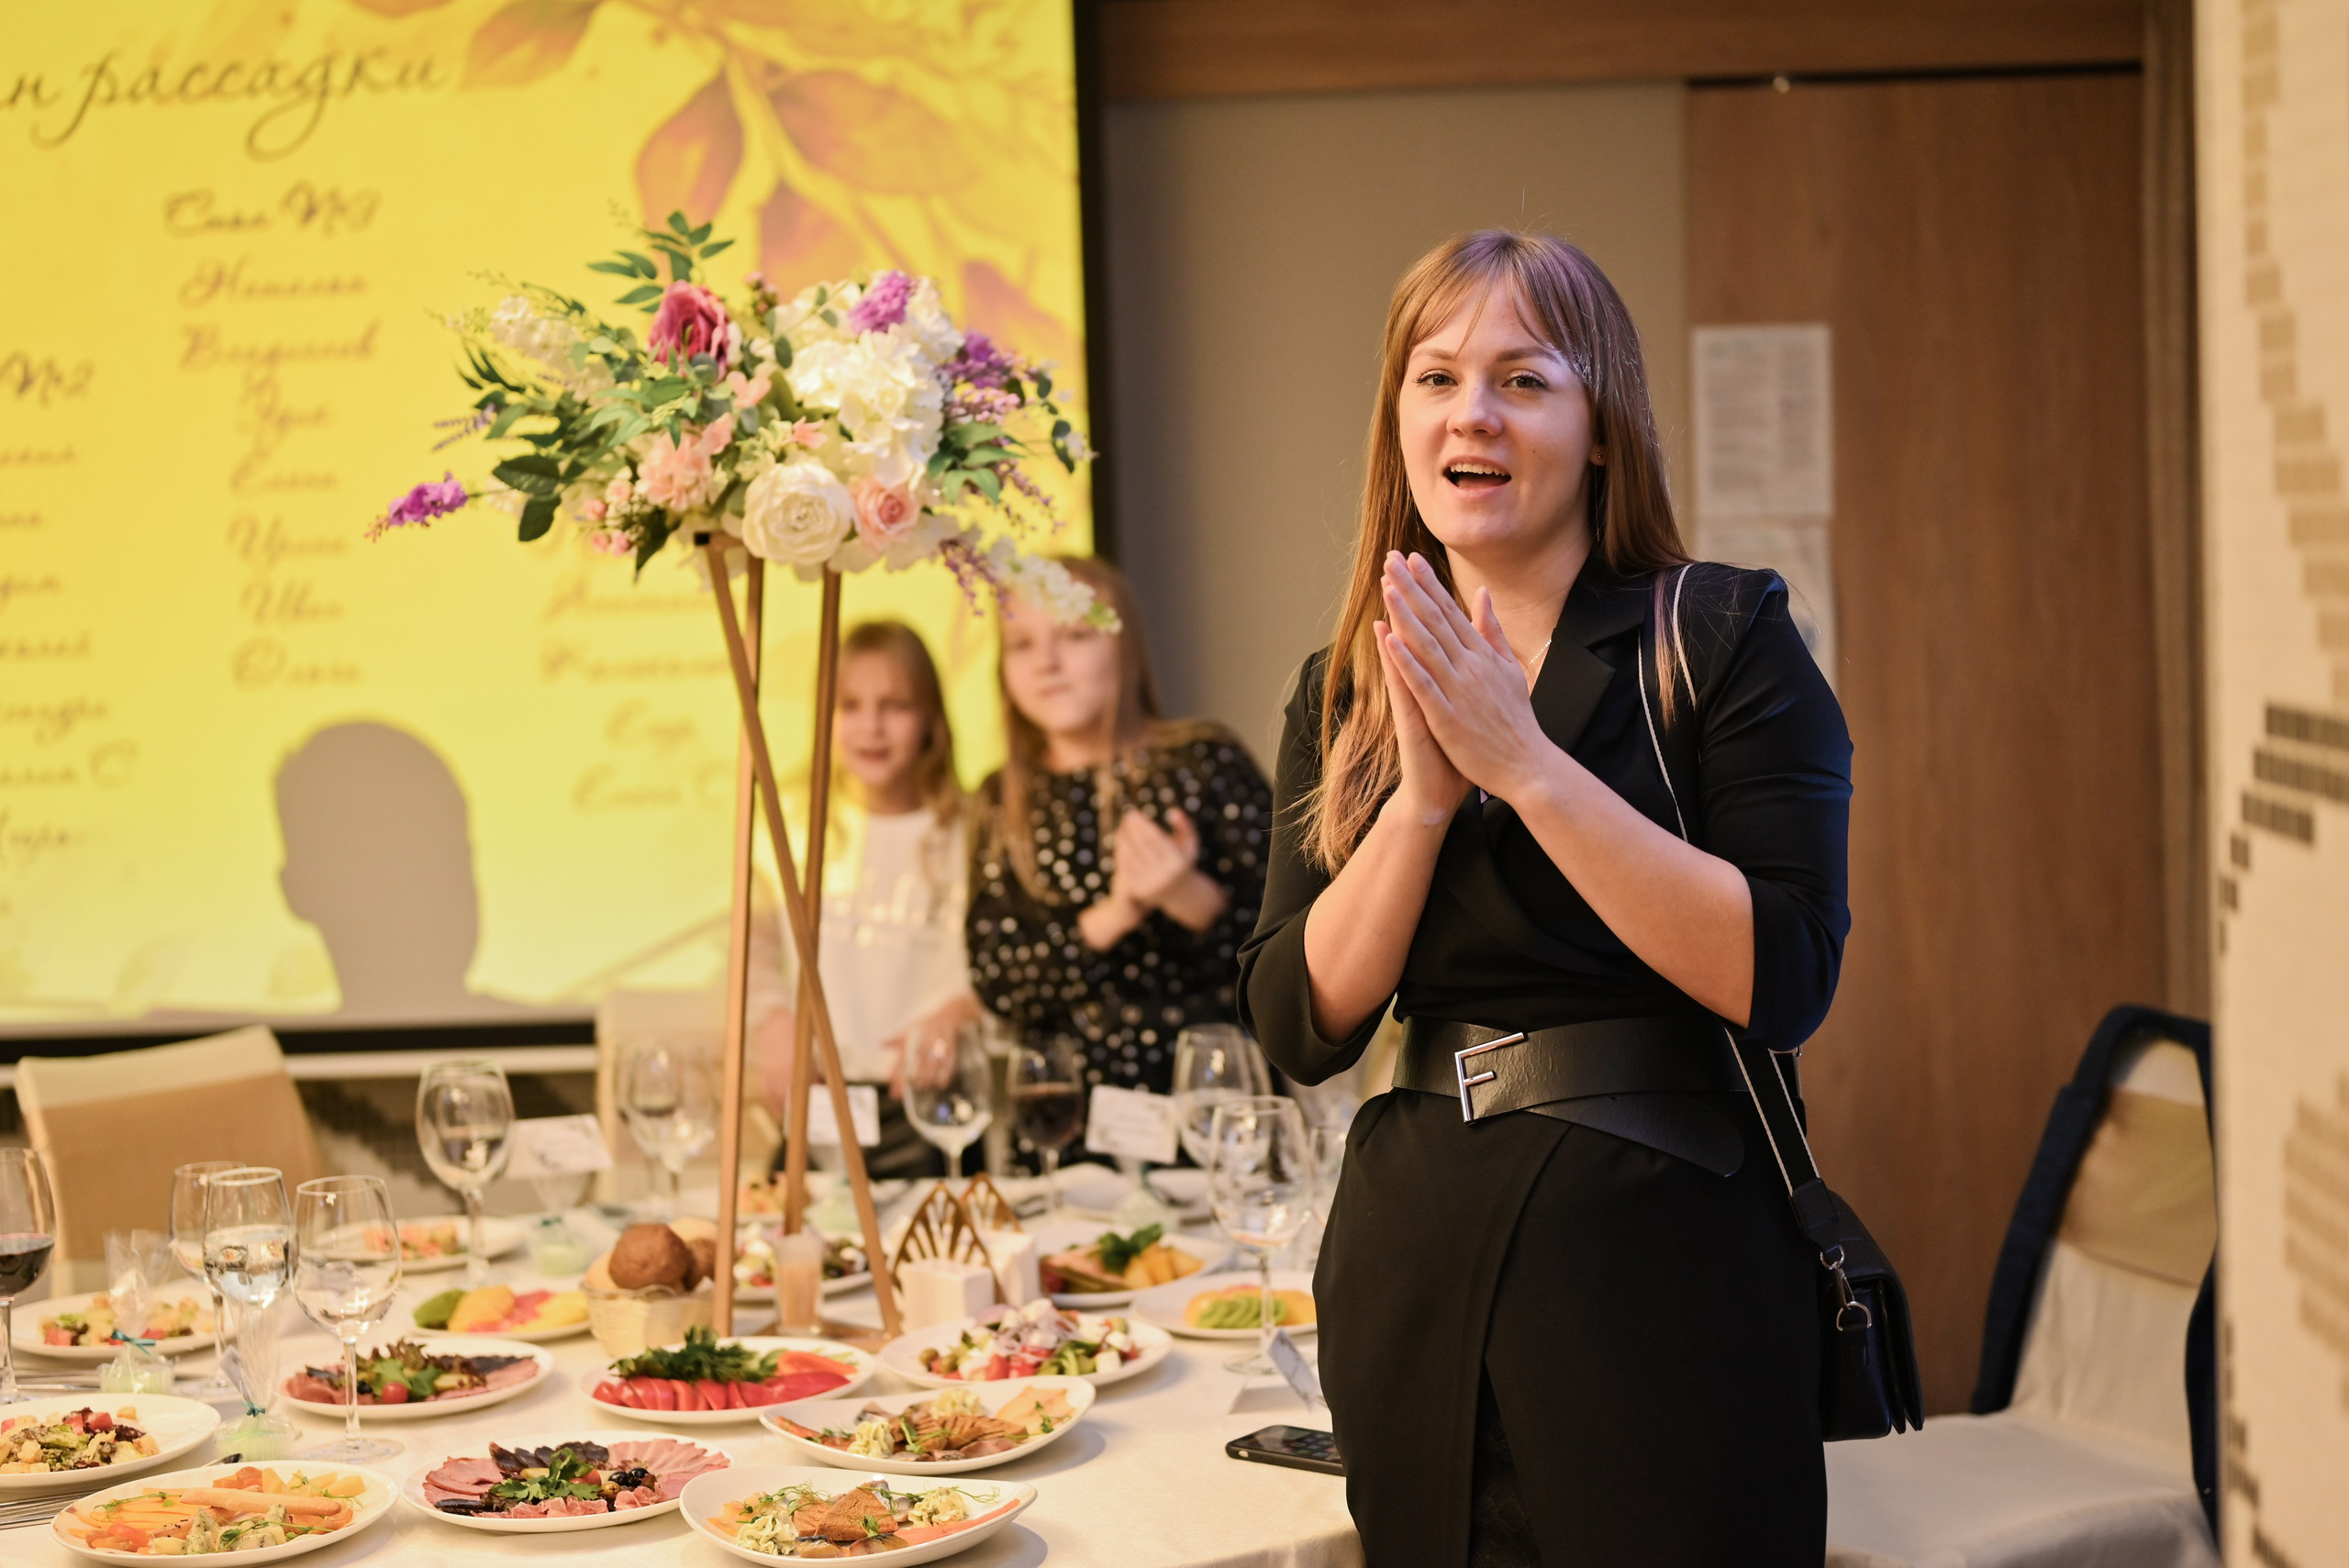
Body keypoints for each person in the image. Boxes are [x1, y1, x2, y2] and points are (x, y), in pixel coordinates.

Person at [1237, 231, 1852, 1566]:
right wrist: (1421, 799)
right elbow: (1302, 1021)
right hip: (1411, 1257)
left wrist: (1526, 764)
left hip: (1659, 1260)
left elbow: (1787, 973)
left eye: (1524, 379)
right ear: (1397, 420)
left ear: (1602, 428)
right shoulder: (1344, 686)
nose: (1473, 411)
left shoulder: (1724, 634)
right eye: (1437, 376)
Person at [967, 557, 1272, 1095]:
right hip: (1062, 1114)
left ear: (1124, 646)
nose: (1047, 663)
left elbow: (1290, 951)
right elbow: (998, 978)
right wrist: (1116, 912)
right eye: (1021, 644)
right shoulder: (1001, 796)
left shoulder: (1205, 761)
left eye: (1076, 636)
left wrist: (1186, 894)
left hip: (1210, 1101)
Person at [752, 620, 981, 1180]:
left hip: (929, 1104)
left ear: (931, 716)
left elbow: (1001, 966)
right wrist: (773, 1020)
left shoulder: (973, 829)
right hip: (822, 1097)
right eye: (850, 705)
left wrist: (960, 1013)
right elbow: (753, 949)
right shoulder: (790, 823)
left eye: (895, 705)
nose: (871, 727)